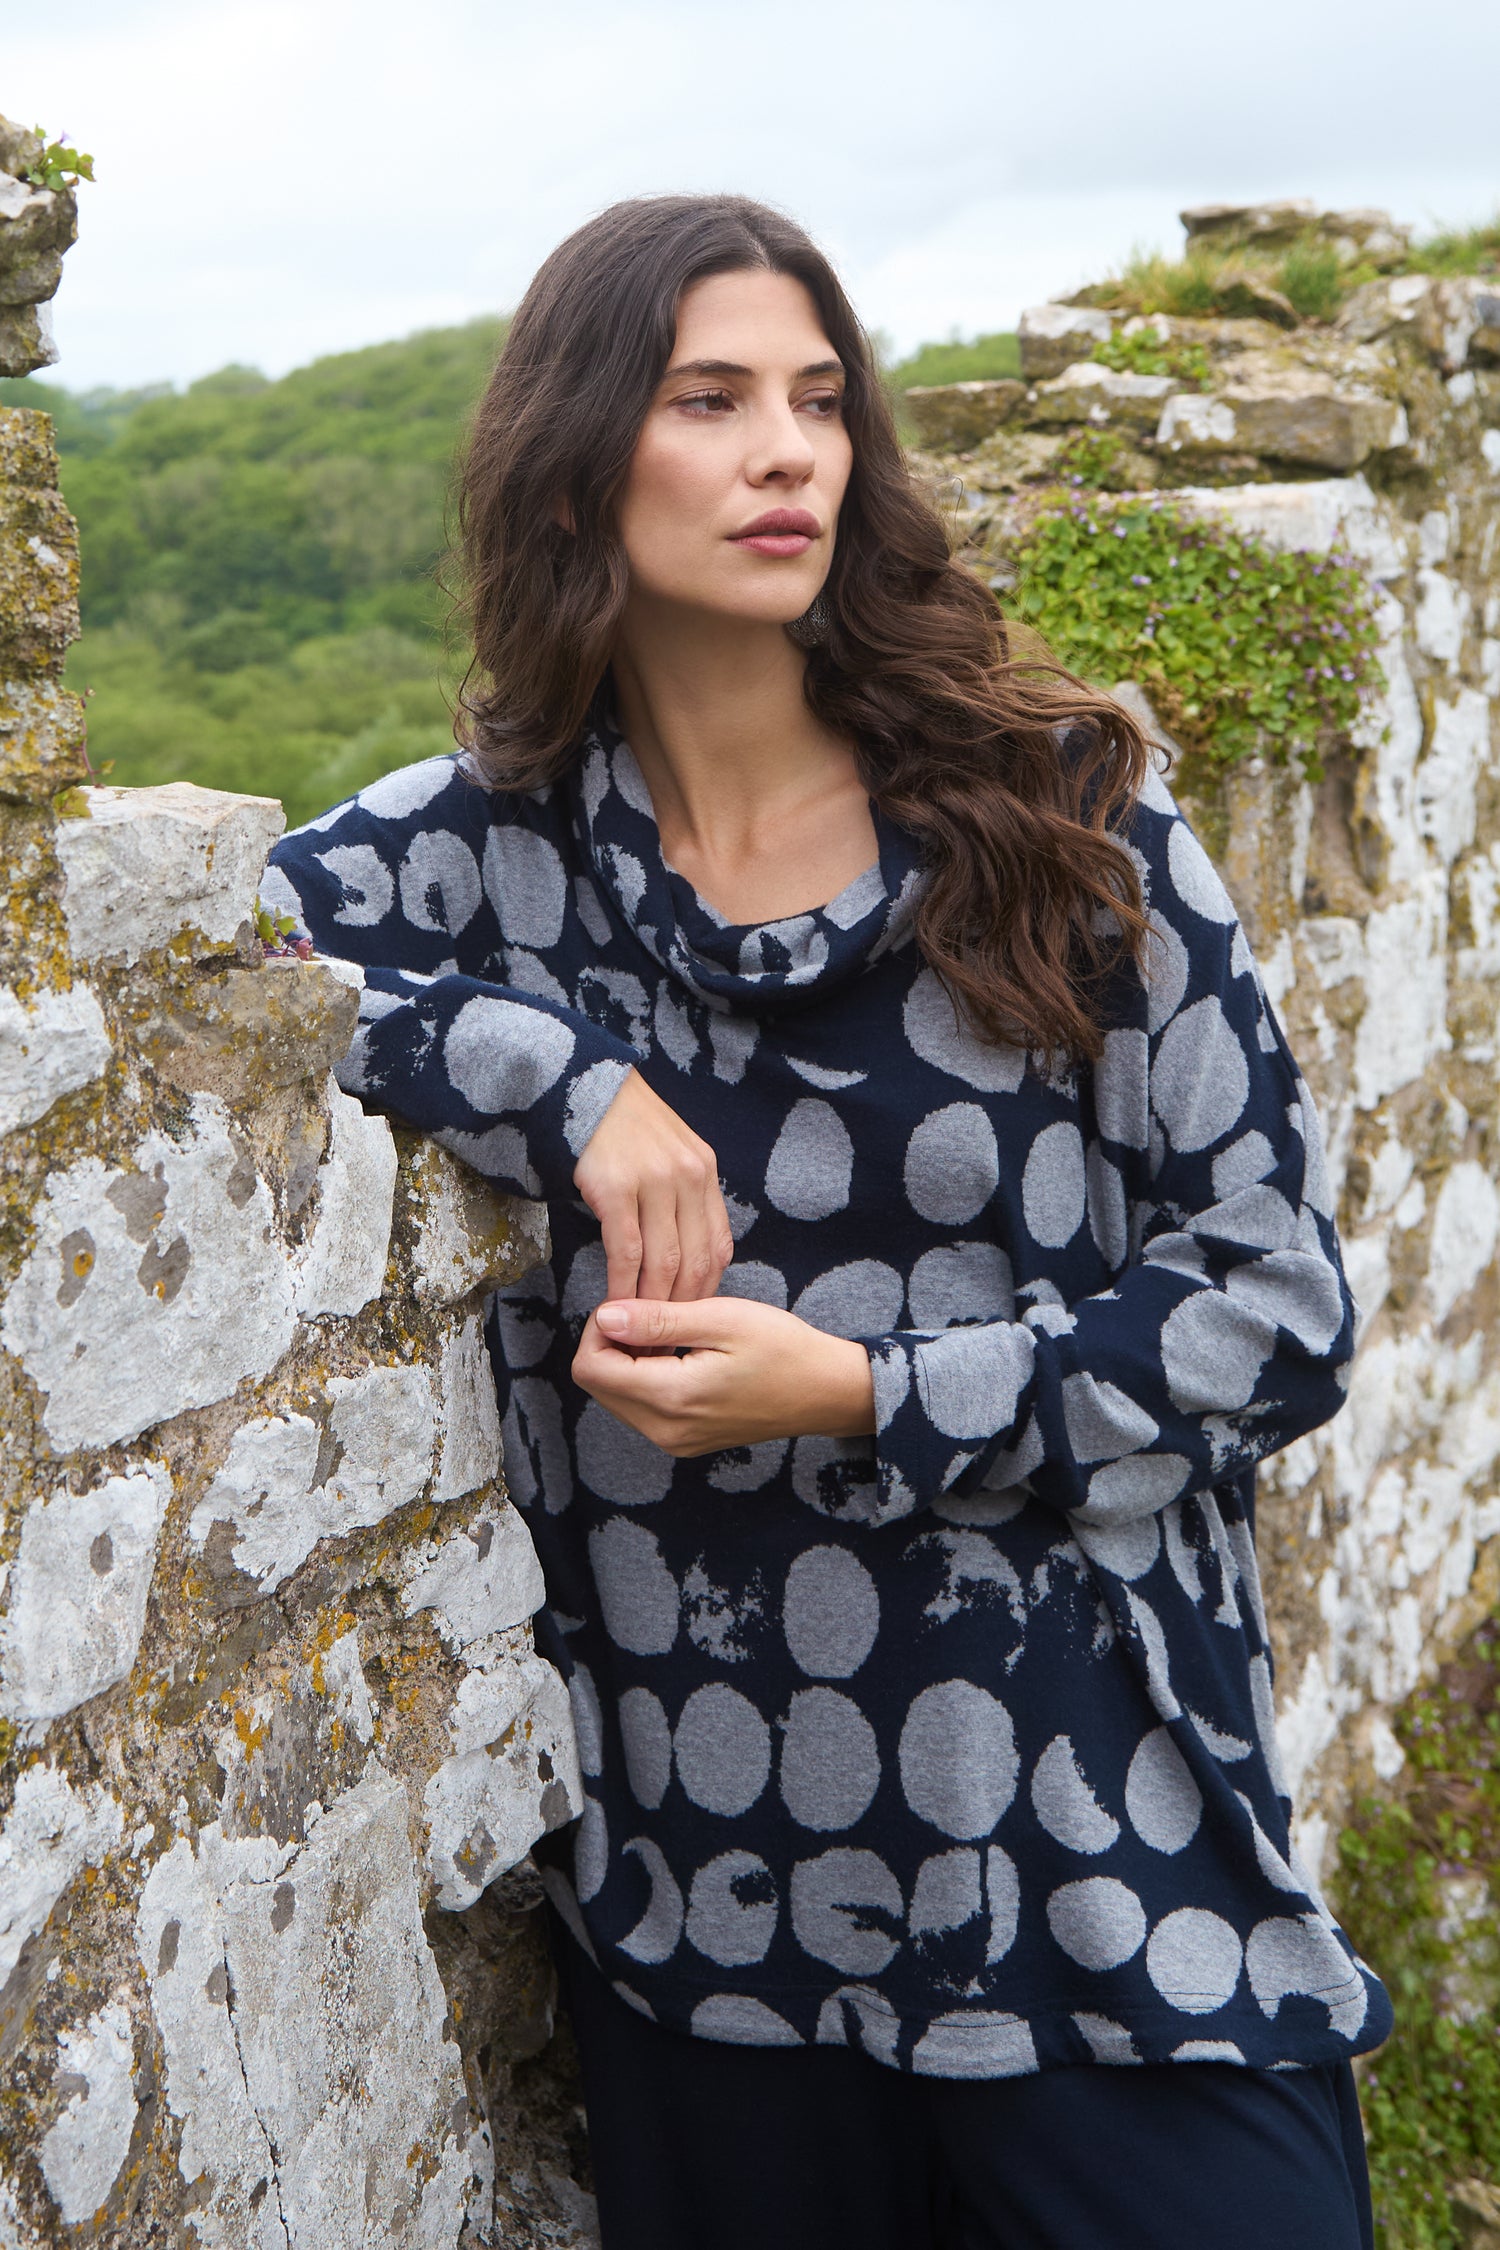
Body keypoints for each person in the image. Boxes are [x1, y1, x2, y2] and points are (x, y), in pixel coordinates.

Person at [264, 193, 1390, 2250]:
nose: (788, 451)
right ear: (582, 452)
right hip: (716, 1921)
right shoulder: (461, 866)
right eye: (711, 400)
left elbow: (1280, 1304)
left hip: (1099, 1857)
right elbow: (188, 991)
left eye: (817, 400)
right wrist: (560, 1076)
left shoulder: (1065, 821)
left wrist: (870, 1389)